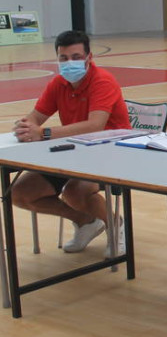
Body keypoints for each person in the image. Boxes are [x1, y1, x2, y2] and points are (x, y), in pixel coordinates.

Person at [11, 30, 131, 256]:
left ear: (89, 57)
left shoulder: (102, 81)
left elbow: (95, 125)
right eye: (63, 58)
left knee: (75, 191)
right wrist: (25, 127)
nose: (69, 63)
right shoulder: (58, 83)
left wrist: (43, 133)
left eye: (76, 57)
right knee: (20, 193)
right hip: (73, 151)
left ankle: (116, 225)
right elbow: (35, 117)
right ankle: (85, 222)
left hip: (110, 151)